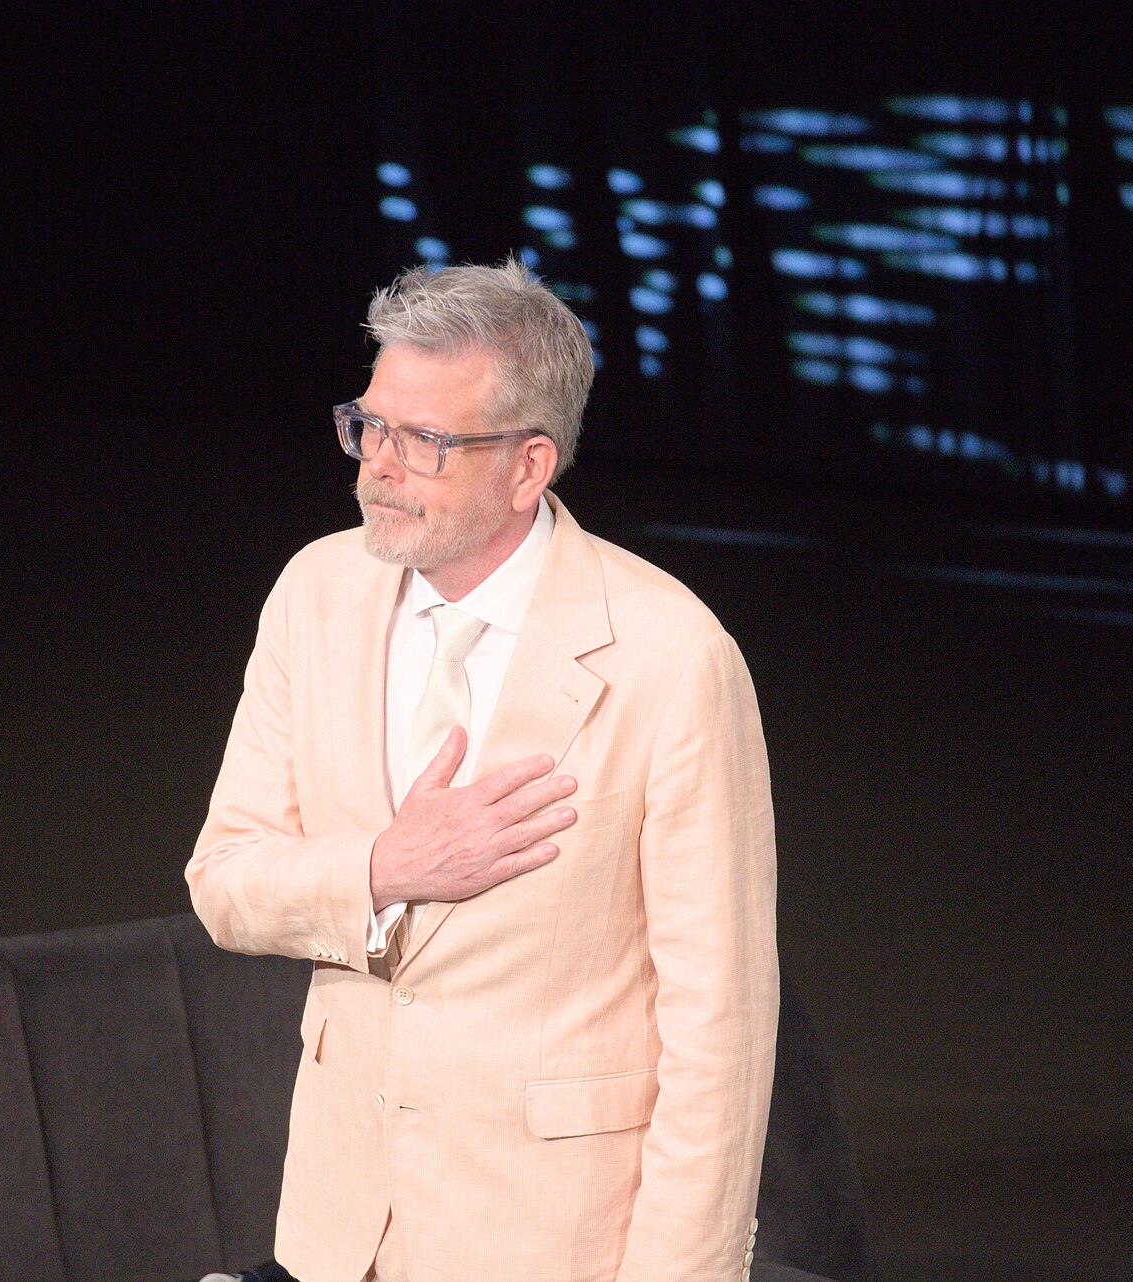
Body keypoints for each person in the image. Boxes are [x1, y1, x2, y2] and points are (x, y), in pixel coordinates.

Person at [188, 261, 778, 1282]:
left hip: (547, 1240)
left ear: (527, 466)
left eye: (425, 441)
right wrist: (381, 865)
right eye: (368, 425)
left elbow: (718, 1028)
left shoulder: (671, 656)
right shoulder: (315, 592)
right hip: (341, 1229)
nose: (379, 466)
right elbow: (226, 883)